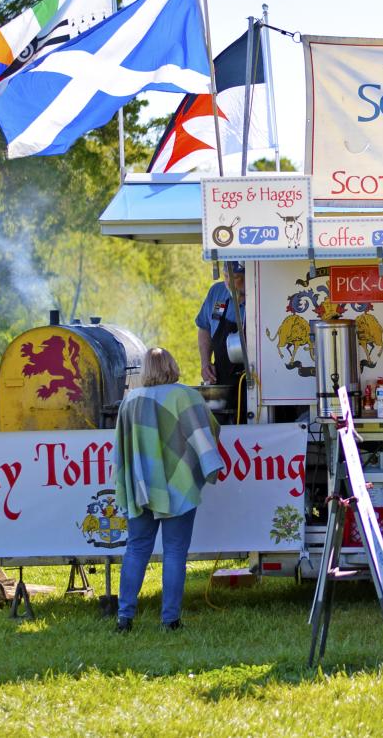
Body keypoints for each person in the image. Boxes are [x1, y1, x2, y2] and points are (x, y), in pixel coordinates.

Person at [112, 347, 225, 632]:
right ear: (172, 365)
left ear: (146, 370)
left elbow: (121, 447)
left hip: (141, 485)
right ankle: (170, 620)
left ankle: (124, 617)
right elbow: (207, 430)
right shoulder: (185, 395)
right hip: (178, 484)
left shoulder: (130, 400)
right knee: (175, 552)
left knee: (136, 548)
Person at [196, 261, 246, 386]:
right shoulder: (217, 293)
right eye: (226, 276)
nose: (228, 283)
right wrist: (205, 363)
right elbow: (204, 327)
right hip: (221, 377)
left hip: (252, 377)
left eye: (235, 277)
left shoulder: (260, 297)